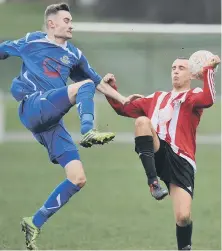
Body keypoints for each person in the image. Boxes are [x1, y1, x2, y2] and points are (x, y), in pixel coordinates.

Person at [0, 3, 132, 250]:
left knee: (78, 178)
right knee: (83, 87)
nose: (71, 25)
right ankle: (87, 130)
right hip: (33, 106)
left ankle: (34, 222)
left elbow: (96, 82)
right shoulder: (31, 41)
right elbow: (3, 50)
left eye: (71, 20)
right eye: (67, 20)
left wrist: (123, 99)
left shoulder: (74, 54)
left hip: (49, 121)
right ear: (52, 24)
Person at [106, 55, 220, 250]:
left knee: (183, 217)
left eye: (181, 68)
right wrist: (111, 90)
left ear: (192, 74)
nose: (175, 70)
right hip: (160, 151)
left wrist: (209, 70)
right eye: (173, 67)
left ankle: (185, 247)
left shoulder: (193, 96)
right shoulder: (156, 97)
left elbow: (209, 99)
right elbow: (124, 109)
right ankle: (153, 182)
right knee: (142, 122)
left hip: (183, 161)